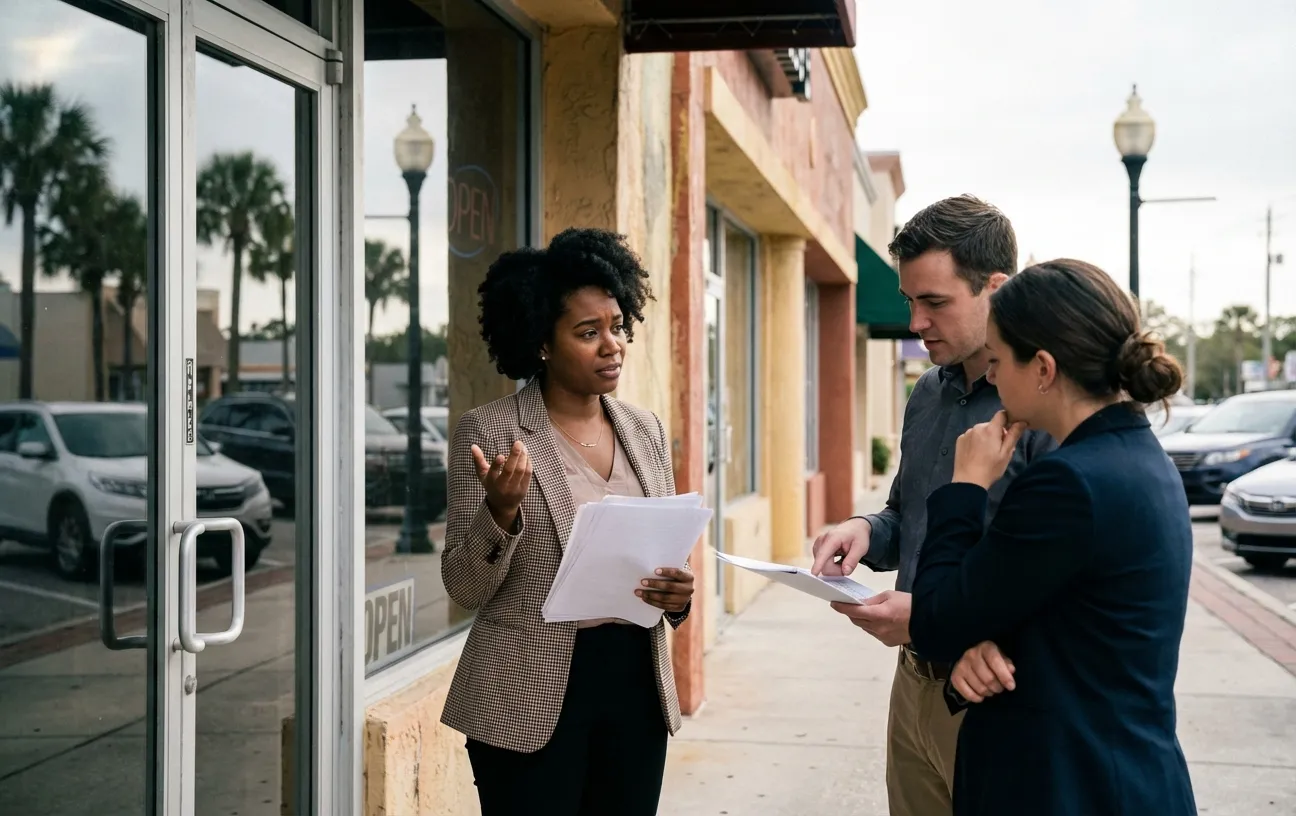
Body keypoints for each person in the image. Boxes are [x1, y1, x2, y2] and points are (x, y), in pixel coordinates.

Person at [908, 259, 1197, 816]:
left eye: (997, 361)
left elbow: (937, 622)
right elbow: (1067, 616)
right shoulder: (1142, 459)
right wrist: (983, 644)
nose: (992, 378)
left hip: (1071, 785)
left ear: (1042, 368)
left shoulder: (1068, 482)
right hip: (1124, 775)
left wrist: (966, 486)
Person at [811, 195, 1056, 816]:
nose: (916, 322)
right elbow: (908, 513)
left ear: (996, 289)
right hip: (911, 683)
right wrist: (866, 529)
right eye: (908, 301)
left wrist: (945, 622)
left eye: (935, 302)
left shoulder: (1043, 406)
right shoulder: (926, 392)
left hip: (992, 690)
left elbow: (1057, 570)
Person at [439, 227, 695, 816]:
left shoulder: (645, 430)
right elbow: (463, 587)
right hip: (526, 694)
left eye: (617, 326)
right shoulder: (488, 432)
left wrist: (678, 595)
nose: (612, 346)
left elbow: (667, 557)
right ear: (542, 344)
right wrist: (499, 512)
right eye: (588, 332)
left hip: (637, 687)